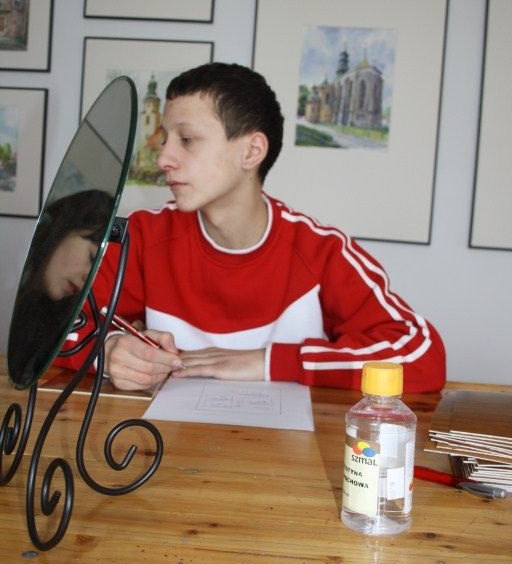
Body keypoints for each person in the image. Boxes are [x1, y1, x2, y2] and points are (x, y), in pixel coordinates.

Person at [53, 63, 446, 393]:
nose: (163, 159)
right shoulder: (143, 236)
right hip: (163, 450)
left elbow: (422, 355)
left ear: (252, 151)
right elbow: (48, 328)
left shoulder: (321, 251)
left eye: (186, 139)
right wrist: (107, 350)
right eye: (165, 140)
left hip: (291, 458)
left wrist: (270, 361)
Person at [8, 189, 114, 386]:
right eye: (91, 258)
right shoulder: (9, 281)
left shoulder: (63, 319)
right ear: (62, 229)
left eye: (97, 271)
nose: (88, 277)